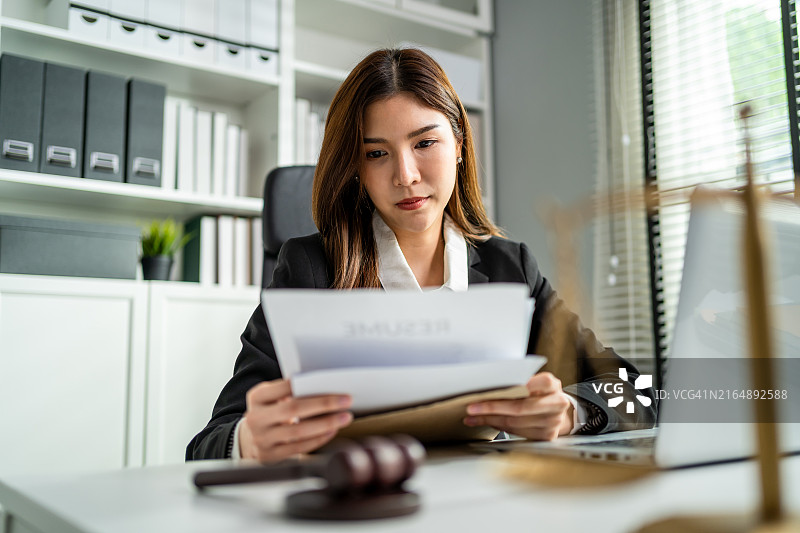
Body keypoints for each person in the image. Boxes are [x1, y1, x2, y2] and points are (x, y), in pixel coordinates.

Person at [187, 48, 656, 463]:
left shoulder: (508, 269)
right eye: (376, 154)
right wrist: (249, 439)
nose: (406, 175)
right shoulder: (309, 268)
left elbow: (638, 392)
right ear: (356, 169)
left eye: (425, 143)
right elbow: (208, 443)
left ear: (459, 145)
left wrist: (569, 413)